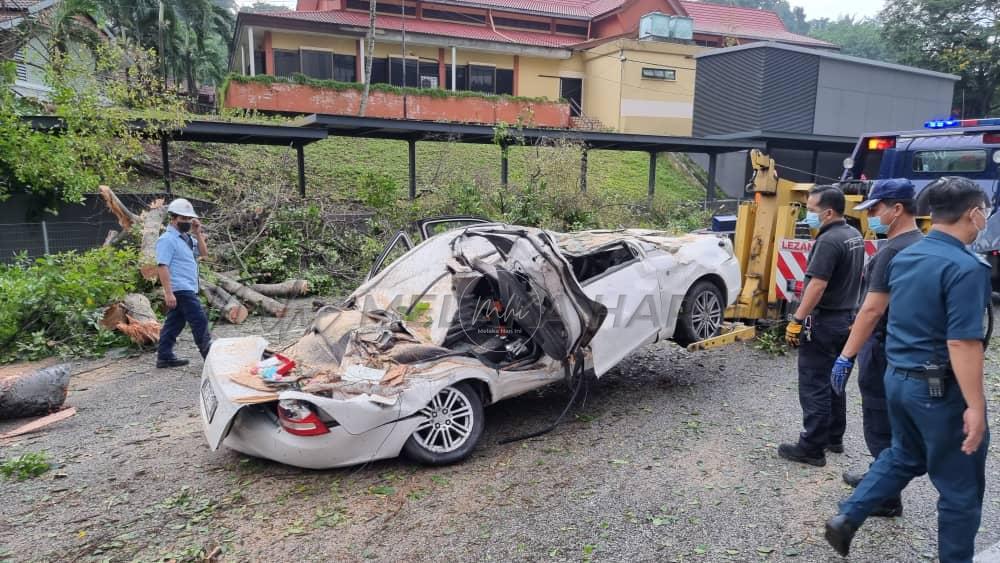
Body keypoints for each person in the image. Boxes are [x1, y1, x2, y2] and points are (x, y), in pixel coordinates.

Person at [824, 177, 991, 562]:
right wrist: (975, 406)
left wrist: (846, 356)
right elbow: (962, 343)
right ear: (974, 213)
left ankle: (848, 516)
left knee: (904, 455)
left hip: (898, 380)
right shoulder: (967, 267)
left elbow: (875, 309)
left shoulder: (904, 256)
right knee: (960, 490)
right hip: (938, 389)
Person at [829, 178, 923, 518]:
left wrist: (846, 355)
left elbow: (871, 309)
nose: (872, 216)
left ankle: (885, 497)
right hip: (904, 346)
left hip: (882, 347)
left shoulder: (892, 250)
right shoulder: (922, 243)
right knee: (892, 419)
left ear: (897, 209)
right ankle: (879, 478)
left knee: (879, 420)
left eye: (876, 208)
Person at [779, 185, 865, 467]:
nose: (808, 215)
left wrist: (797, 320)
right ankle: (833, 437)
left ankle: (812, 447)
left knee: (815, 382)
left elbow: (816, 285)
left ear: (828, 212)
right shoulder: (854, 235)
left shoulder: (829, 241)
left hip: (824, 321)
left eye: (812, 210)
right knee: (835, 380)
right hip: (846, 319)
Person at [156, 198, 212, 368]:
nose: (187, 222)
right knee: (199, 320)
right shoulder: (167, 239)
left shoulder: (186, 238)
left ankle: (164, 356)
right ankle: (209, 357)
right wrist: (168, 292)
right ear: (173, 218)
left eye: (189, 219)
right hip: (180, 289)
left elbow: (204, 253)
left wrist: (198, 232)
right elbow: (162, 266)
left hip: (187, 287)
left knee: (174, 323)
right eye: (183, 219)